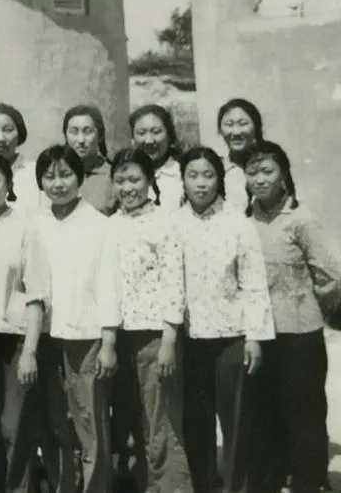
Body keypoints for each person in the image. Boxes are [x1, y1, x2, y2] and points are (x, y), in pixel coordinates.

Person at [168, 147, 274, 493]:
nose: (200, 184)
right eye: (193, 176)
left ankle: (235, 487)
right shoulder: (174, 223)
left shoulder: (237, 222)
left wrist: (254, 336)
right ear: (183, 180)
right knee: (196, 422)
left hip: (232, 336)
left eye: (208, 175)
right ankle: (204, 485)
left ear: (219, 179)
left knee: (235, 421)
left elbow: (253, 282)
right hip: (190, 338)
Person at [244, 141, 341, 493]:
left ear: (283, 175)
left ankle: (310, 483)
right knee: (266, 414)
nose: (259, 179)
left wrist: (321, 309)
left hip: (300, 334)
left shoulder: (301, 220)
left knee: (305, 414)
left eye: (267, 171)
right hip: (259, 335)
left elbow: (331, 275)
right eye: (252, 172)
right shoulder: (244, 221)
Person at [32, 144, 120, 493]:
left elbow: (109, 285)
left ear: (80, 177)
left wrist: (108, 342)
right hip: (46, 335)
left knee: (89, 421)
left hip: (86, 335)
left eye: (66, 175)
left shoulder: (100, 225)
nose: (58, 184)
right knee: (55, 422)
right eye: (49, 177)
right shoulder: (35, 224)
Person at [108, 148, 192, 493]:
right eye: (120, 180)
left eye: (134, 179)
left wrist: (169, 341)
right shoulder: (110, 226)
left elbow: (175, 284)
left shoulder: (165, 223)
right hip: (117, 336)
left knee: (161, 422)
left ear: (149, 180)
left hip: (155, 337)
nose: (128, 188)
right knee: (131, 420)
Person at [0, 152, 49, 493]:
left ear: (8, 184)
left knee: (13, 429)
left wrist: (29, 351)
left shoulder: (25, 228)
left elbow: (36, 295)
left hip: (13, 341)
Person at [62, 104, 116, 216]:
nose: (81, 140)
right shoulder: (55, 174)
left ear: (100, 136)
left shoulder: (114, 175)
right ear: (66, 135)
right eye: (74, 132)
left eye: (88, 131)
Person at [129, 104, 183, 213]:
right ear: (133, 139)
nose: (149, 140)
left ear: (169, 135)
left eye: (156, 132)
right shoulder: (125, 173)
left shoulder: (183, 171)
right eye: (141, 133)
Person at [217, 99, 264, 212]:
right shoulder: (216, 169)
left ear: (256, 127)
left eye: (243, 124)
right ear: (220, 129)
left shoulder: (271, 166)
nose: (236, 132)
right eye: (229, 125)